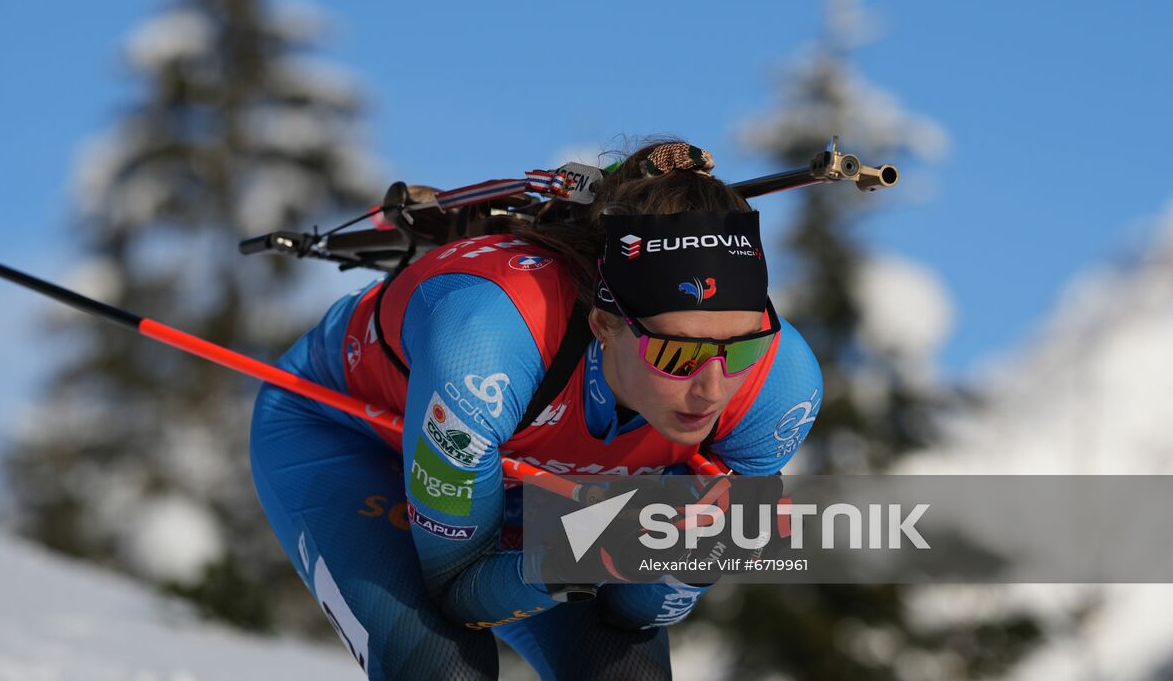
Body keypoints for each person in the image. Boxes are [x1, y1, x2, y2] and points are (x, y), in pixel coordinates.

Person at [249, 140, 823, 679]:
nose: (713, 390)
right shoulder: (491, 341)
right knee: (442, 666)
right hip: (351, 435)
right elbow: (459, 590)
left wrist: (684, 559)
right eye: (677, 354)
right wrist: (588, 547)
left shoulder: (778, 386)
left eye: (743, 347)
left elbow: (631, 616)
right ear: (605, 323)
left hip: (531, 471)